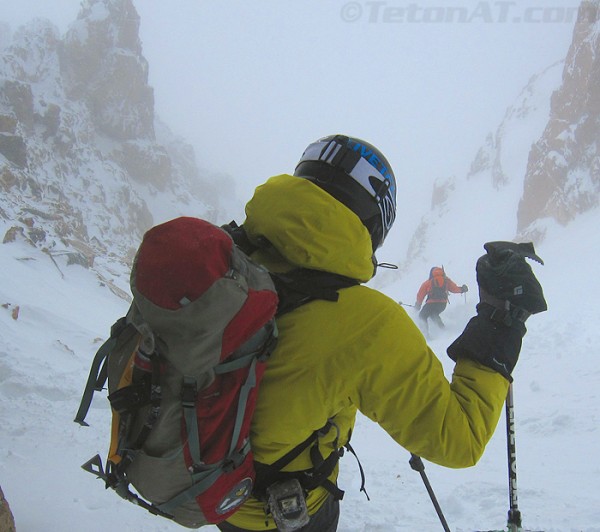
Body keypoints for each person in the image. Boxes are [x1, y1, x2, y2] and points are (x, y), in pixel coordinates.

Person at [217, 134, 546, 532]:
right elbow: (460, 438)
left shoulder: (222, 260)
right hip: (291, 514)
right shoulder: (365, 324)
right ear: (375, 223)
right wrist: (501, 319)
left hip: (216, 495)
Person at [414, 267, 468, 332]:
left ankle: (425, 335)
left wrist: (418, 305)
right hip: (442, 304)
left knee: (422, 316)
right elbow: (454, 289)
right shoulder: (446, 280)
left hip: (431, 303)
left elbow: (420, 295)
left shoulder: (428, 282)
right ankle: (443, 330)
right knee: (434, 314)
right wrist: (462, 289)